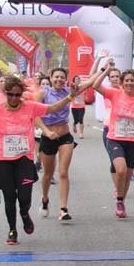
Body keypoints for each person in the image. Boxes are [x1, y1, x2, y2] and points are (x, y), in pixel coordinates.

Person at [0, 75, 78, 244]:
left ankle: (24, 213)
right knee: (9, 196)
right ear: (5, 93)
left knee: (24, 196)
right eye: (10, 94)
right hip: (2, 158)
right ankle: (12, 230)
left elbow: (53, 108)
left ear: (21, 94)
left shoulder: (30, 107)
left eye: (17, 95)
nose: (14, 98)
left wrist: (71, 96)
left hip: (24, 158)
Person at [37, 67, 101, 221]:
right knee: (48, 174)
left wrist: (104, 68)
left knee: (63, 172)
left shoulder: (70, 91)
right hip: (48, 137)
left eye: (62, 77)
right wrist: (46, 131)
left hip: (65, 136)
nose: (59, 80)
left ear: (66, 79)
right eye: (56, 77)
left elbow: (90, 82)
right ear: (51, 78)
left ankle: (63, 209)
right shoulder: (43, 93)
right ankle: (45, 199)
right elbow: (35, 116)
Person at [94, 64, 134, 219]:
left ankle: (121, 201)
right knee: (120, 170)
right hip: (115, 139)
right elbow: (95, 85)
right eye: (126, 80)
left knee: (127, 176)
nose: (129, 83)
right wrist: (106, 71)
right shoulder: (115, 93)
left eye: (132, 80)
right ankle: (119, 199)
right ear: (122, 82)